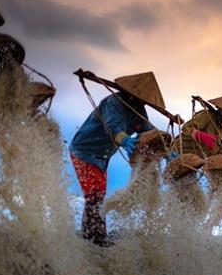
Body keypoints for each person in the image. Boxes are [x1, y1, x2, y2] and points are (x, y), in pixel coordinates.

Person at [70, 72, 163, 247]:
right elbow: (113, 126)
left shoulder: (138, 110)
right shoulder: (113, 103)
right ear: (130, 93)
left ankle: (92, 233)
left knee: (98, 194)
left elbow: (148, 130)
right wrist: (124, 139)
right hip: (84, 150)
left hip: (102, 157)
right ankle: (94, 237)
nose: (141, 103)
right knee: (94, 195)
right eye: (139, 99)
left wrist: (165, 151)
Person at [170, 93, 222, 158]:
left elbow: (215, 152)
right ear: (220, 109)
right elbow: (186, 127)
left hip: (195, 160)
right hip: (179, 153)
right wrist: (199, 135)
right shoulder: (207, 115)